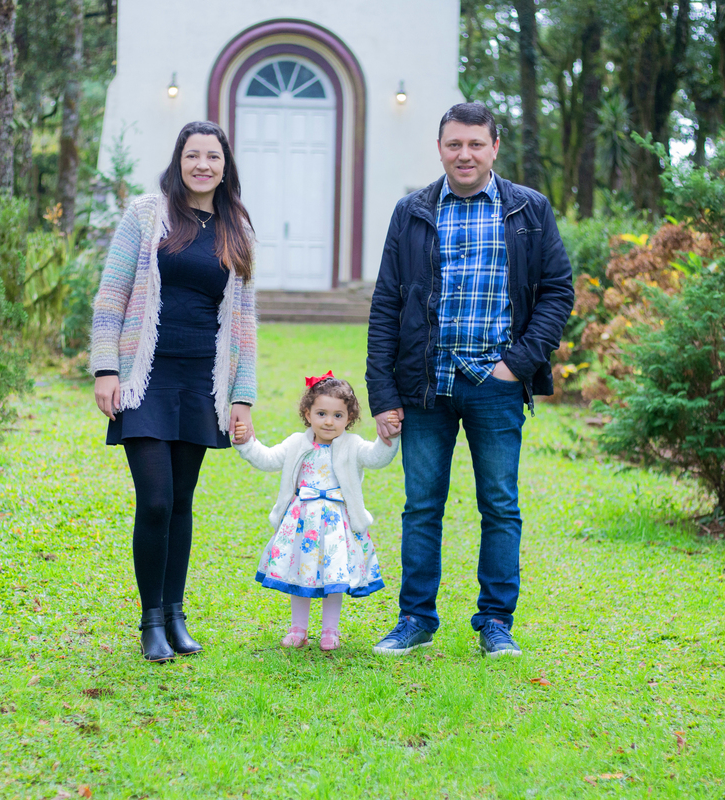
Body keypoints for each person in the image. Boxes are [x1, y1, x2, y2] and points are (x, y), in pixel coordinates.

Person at [365, 102, 574, 658]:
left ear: (494, 147)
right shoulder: (411, 211)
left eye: (475, 144)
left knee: (500, 506)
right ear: (440, 148)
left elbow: (557, 291)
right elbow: (386, 302)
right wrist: (383, 393)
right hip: (425, 384)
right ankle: (415, 620)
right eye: (454, 144)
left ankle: (496, 624)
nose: (465, 154)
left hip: (496, 385)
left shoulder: (529, 210)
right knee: (421, 505)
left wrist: (519, 364)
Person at [90, 120, 257, 663]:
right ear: (178, 160)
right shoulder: (147, 213)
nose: (202, 165)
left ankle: (176, 615)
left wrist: (241, 396)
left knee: (182, 502)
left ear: (225, 164)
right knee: (156, 500)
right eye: (193, 155)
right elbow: (112, 291)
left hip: (201, 383)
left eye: (213, 156)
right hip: (145, 378)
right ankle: (150, 621)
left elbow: (245, 323)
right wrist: (105, 369)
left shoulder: (237, 228)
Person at [232, 374, 399, 651]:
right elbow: (268, 459)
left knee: (333, 578)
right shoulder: (297, 443)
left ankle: (330, 631)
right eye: (321, 413)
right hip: (301, 524)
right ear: (307, 413)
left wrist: (388, 438)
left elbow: (376, 458)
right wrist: (246, 443)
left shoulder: (353, 445)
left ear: (350, 418)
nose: (329, 421)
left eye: (338, 415)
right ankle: (297, 629)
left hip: (337, 527)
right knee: (301, 573)